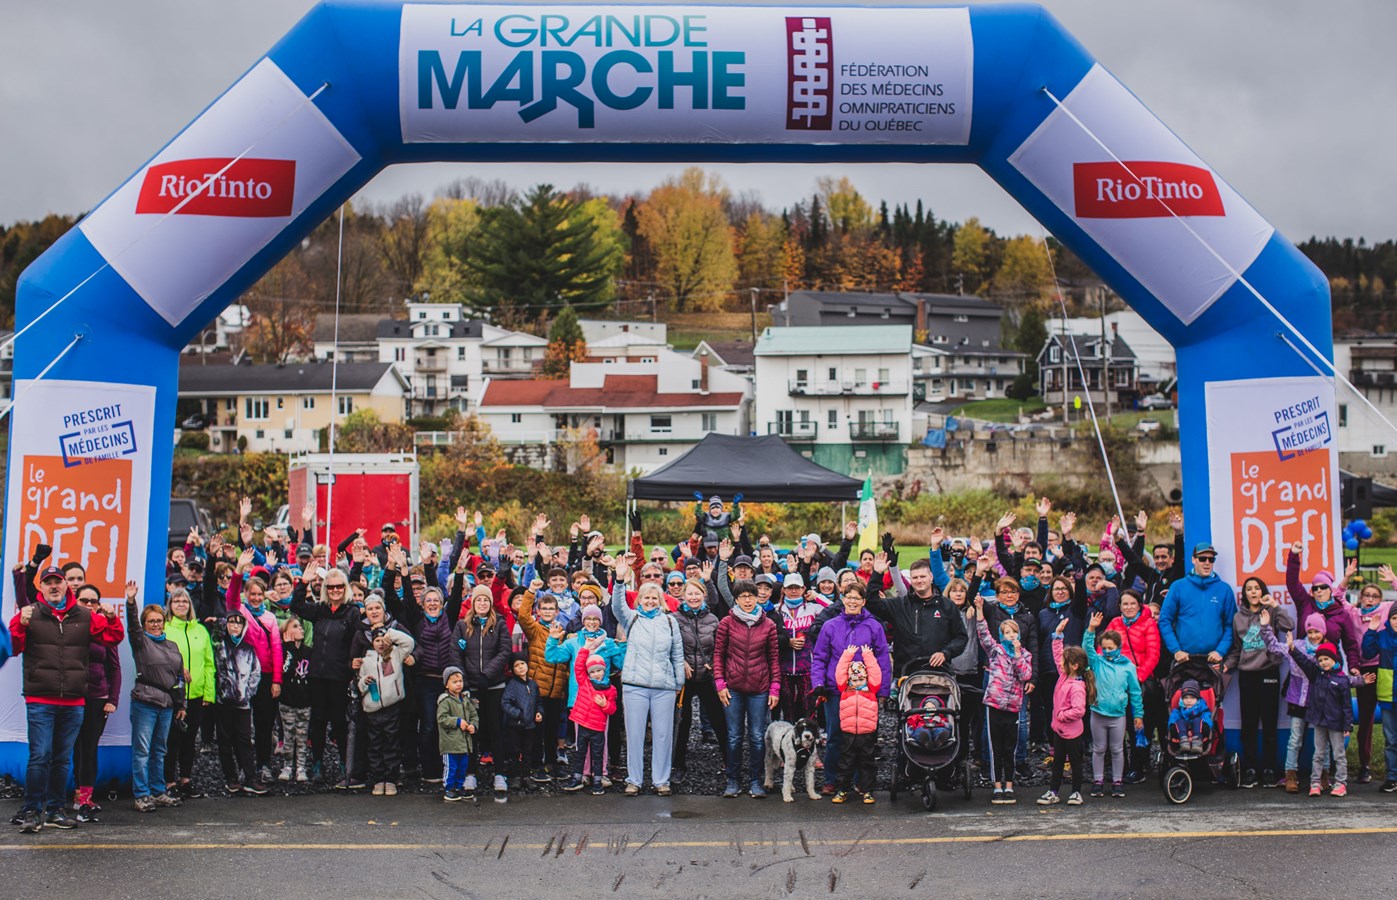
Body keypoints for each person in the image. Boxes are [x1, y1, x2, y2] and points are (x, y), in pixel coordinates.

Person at [9, 564, 122, 833]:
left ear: (64, 586)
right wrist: (20, 624)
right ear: (42, 588)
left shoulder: (84, 615)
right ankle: (33, 811)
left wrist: (112, 617)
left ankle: (56, 810)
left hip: (74, 700)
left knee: (61, 759)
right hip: (40, 699)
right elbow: (12, 648)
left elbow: (113, 637)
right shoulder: (31, 614)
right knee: (40, 756)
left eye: (57, 582)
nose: (54, 586)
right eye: (48, 582)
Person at [610, 554, 685, 796]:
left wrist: (678, 684)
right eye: (646, 597)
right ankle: (634, 780)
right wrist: (620, 580)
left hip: (664, 686)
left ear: (661, 600)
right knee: (634, 734)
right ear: (639, 600)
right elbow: (617, 606)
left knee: (663, 735)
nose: (650, 601)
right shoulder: (632, 619)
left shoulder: (670, 623)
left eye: (654, 597)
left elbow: (677, 654)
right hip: (635, 685)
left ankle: (661, 780)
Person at [813, 582, 892, 794]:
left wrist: (883, 689)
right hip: (836, 690)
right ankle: (832, 780)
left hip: (866, 691)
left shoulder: (873, 626)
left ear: (863, 602)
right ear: (843, 599)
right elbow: (820, 657)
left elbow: (883, 658)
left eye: (857, 598)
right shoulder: (830, 626)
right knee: (836, 736)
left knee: (862, 738)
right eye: (849, 597)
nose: (853, 601)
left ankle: (860, 781)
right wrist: (818, 684)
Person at [291, 566, 359, 783]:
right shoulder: (319, 610)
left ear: (345, 588)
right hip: (318, 676)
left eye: (339, 586)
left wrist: (353, 666)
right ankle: (318, 763)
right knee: (318, 721)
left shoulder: (352, 612)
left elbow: (358, 643)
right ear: (325, 589)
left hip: (340, 676)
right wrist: (303, 583)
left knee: (340, 722)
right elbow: (297, 606)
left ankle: (342, 764)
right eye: (331, 587)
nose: (335, 590)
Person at [1222, 577, 1292, 788]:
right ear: (1245, 594)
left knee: (1270, 724)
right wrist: (1227, 664)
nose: (1253, 592)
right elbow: (1236, 648)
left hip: (1269, 672)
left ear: (1263, 591)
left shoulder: (1270, 612)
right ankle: (1250, 768)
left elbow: (1289, 625)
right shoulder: (1238, 618)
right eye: (1249, 589)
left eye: (1257, 588)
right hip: (1247, 675)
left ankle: (1270, 769)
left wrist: (1275, 606)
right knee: (1249, 724)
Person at [124, 582, 187, 813]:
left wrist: (181, 704)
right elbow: (132, 626)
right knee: (142, 751)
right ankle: (142, 794)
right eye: (151, 621)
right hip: (145, 702)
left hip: (168, 704)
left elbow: (178, 677)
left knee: (160, 750)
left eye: (159, 620)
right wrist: (131, 602)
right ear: (145, 624)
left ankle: (158, 790)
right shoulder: (141, 642)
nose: (156, 624)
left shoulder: (171, 645)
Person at [714, 578, 780, 799]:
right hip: (732, 688)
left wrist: (775, 688)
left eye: (751, 595)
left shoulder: (768, 624)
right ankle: (732, 780)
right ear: (736, 599)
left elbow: (773, 659)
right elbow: (718, 656)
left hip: (759, 688)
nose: (748, 600)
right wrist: (720, 684)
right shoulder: (726, 623)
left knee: (757, 736)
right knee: (733, 736)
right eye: (743, 596)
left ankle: (755, 781)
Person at [1286, 633, 1373, 798]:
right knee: (1318, 753)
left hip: (1336, 724)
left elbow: (1347, 706)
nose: (1323, 663)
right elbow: (1303, 661)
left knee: (1338, 754)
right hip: (1319, 722)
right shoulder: (1316, 674)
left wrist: (1347, 725)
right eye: (1320, 660)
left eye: (1326, 659)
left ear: (1334, 659)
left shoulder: (1342, 680)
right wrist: (1292, 648)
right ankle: (1315, 783)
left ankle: (1341, 783)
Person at [973, 595, 1033, 804]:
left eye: (1013, 632)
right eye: (1006, 632)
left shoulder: (1024, 655)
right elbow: (983, 634)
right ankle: (996, 784)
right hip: (995, 704)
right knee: (995, 746)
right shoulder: (995, 651)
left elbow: (1025, 675)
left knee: (1010, 747)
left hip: (1014, 706)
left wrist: (1016, 654)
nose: (1010, 635)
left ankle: (1009, 784)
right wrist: (980, 610)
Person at [69, 584, 122, 821]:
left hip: (98, 698)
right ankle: (74, 791)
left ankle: (86, 797)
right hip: (71, 696)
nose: (89, 604)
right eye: (84, 600)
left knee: (89, 748)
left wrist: (112, 699)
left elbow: (115, 668)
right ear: (76, 601)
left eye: (93, 601)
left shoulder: (104, 630)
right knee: (72, 746)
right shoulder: (69, 626)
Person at [454, 586, 512, 791]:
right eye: (478, 600)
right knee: (472, 730)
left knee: (495, 728)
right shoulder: (462, 626)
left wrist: (487, 674)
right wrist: (465, 680)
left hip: (494, 685)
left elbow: (504, 651)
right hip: (470, 686)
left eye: (485, 601)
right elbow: (456, 653)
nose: (482, 604)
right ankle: (470, 773)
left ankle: (500, 774)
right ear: (473, 603)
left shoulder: (500, 625)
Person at [1083, 613, 1144, 798]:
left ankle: (1118, 781)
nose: (1108, 651)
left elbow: (1135, 692)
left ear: (1119, 647)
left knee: (1117, 749)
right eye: (1104, 648)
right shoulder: (1098, 662)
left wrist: (1138, 714)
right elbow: (1087, 649)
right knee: (1099, 749)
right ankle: (1098, 781)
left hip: (1118, 715)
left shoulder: (1128, 666)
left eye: (1111, 648)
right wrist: (1091, 629)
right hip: (1098, 713)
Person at [516, 582, 570, 781]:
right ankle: (536, 764)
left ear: (557, 611)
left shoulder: (561, 633)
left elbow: (564, 661)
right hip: (538, 688)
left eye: (551, 609)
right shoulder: (535, 630)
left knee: (552, 730)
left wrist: (564, 682)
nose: (547, 612)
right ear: (538, 611)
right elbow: (522, 616)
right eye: (544, 608)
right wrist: (530, 592)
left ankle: (552, 763)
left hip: (556, 690)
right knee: (537, 729)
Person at [673, 576, 724, 786]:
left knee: (719, 719)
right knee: (682, 722)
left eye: (697, 593)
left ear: (704, 595)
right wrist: (681, 663)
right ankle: (678, 764)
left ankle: (730, 761)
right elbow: (671, 646)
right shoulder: (674, 618)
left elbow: (720, 647)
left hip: (706, 675)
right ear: (683, 596)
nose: (693, 597)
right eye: (689, 593)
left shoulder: (713, 619)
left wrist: (713, 663)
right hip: (685, 677)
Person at [163, 588, 213, 800]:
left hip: (196, 695)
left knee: (190, 739)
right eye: (177, 601)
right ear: (170, 606)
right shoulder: (165, 629)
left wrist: (209, 694)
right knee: (171, 740)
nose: (181, 604)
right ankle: (169, 781)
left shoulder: (200, 630)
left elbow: (209, 664)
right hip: (174, 696)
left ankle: (185, 779)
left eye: (185, 601)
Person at [1271, 613, 1326, 793]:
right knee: (1295, 739)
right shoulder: (1297, 645)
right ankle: (1291, 775)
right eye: (1310, 631)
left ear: (1323, 632)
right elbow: (1273, 647)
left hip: (1320, 702)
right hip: (1297, 700)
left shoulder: (1329, 649)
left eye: (1317, 631)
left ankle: (1323, 774)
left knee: (1323, 741)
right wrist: (1265, 628)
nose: (1313, 635)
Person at [358, 626, 416, 796]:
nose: (381, 644)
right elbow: (359, 685)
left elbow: (409, 642)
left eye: (383, 640)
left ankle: (391, 778)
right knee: (375, 744)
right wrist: (364, 683)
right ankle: (378, 779)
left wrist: (391, 635)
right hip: (372, 708)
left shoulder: (396, 655)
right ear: (372, 643)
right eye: (377, 640)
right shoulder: (366, 660)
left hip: (392, 706)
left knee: (392, 742)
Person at [1039, 622, 1091, 806]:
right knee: (1058, 762)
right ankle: (1054, 791)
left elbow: (1079, 711)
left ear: (1075, 665)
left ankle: (1076, 792)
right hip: (1059, 730)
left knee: (1076, 763)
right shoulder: (1064, 675)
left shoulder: (1077, 687)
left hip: (1072, 732)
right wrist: (1058, 635)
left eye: (1065, 661)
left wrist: (1062, 715)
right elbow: (1057, 654)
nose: (1060, 663)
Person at [213, 610, 264, 795]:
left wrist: (248, 693)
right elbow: (217, 668)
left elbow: (255, 673)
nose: (235, 626)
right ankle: (231, 777)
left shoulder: (248, 649)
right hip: (223, 701)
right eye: (231, 623)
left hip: (243, 702)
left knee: (244, 740)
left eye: (239, 623)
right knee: (225, 740)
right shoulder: (219, 646)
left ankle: (250, 777)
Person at [1158, 543, 1233, 665]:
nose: (1207, 562)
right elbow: (1164, 620)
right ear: (1193, 559)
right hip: (1185, 660)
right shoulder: (1178, 587)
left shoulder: (1224, 590)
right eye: (1202, 559)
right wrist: (1176, 650)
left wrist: (1220, 651)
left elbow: (1230, 625)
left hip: (1213, 661)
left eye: (1211, 559)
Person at [561, 640, 618, 796]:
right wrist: (585, 648)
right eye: (592, 671)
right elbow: (578, 666)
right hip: (583, 725)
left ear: (604, 670)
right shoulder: (584, 682)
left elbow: (613, 709)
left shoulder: (610, 689)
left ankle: (598, 780)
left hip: (598, 728)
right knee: (580, 753)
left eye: (598, 670)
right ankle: (577, 777)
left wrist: (605, 704)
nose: (595, 674)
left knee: (598, 754)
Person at [1352, 576, 1392, 785]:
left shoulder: (1385, 609)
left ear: (1380, 599)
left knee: (1390, 720)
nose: (1370, 599)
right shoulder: (1354, 613)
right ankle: (1364, 765)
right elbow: (1338, 598)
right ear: (1361, 598)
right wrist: (1346, 579)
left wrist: (1394, 580)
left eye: (1375, 596)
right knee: (1365, 719)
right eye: (1367, 595)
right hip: (1364, 669)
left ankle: (1391, 770)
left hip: (1384, 667)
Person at [831, 644, 882, 805]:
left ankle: (867, 791)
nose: (857, 682)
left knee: (867, 762)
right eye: (854, 679)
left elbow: (876, 673)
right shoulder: (845, 688)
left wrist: (868, 656)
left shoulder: (871, 689)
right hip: (849, 731)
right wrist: (847, 655)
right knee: (846, 762)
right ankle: (842, 790)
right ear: (849, 679)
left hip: (867, 732)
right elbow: (839, 672)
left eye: (861, 679)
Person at [1360, 604, 1397, 793]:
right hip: (1388, 696)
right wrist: (1371, 631)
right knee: (1390, 739)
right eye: (1394, 618)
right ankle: (1392, 777)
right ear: (1389, 620)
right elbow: (1367, 653)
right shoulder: (1382, 636)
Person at [499, 651, 541, 796]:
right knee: (515, 750)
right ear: (512, 669)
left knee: (528, 751)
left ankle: (527, 776)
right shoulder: (512, 685)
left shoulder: (533, 684)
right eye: (516, 666)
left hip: (530, 725)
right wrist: (519, 714)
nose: (521, 667)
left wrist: (539, 712)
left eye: (522, 664)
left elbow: (538, 703)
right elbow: (505, 703)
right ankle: (516, 776)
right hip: (515, 725)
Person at [278, 616, 313, 782]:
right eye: (295, 626)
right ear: (286, 632)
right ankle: (287, 765)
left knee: (302, 735)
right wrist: (290, 649)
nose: (300, 629)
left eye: (300, 626)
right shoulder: (284, 650)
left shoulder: (308, 651)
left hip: (305, 701)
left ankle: (301, 766)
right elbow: (286, 672)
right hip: (287, 701)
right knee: (288, 734)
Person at [437, 666, 479, 801]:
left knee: (463, 767)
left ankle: (459, 787)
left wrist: (473, 725)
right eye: (454, 682)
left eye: (460, 681)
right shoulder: (445, 701)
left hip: (464, 743)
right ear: (447, 684)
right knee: (451, 767)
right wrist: (457, 721)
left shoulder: (466, 699)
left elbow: (474, 715)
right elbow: (442, 719)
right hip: (450, 742)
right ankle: (449, 788)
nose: (458, 684)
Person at [1168, 680, 1213, 753]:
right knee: (1179, 721)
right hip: (1182, 733)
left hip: (1199, 731)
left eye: (1192, 698)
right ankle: (1184, 742)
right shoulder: (1179, 709)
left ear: (1197, 699)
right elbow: (1173, 716)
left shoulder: (1202, 708)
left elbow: (1206, 716)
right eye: (1186, 698)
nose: (1188, 701)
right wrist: (1172, 724)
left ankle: (1197, 742)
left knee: (1198, 720)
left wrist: (1206, 724)